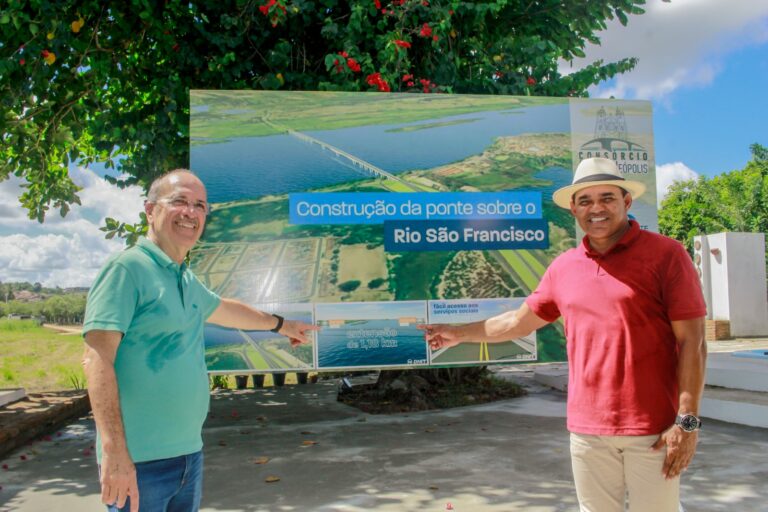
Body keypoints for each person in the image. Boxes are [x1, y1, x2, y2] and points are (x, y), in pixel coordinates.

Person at [420, 157, 707, 512]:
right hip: (587, 431)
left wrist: (687, 421)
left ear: (626, 202)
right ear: (573, 209)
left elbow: (692, 341)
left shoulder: (666, 254)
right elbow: (517, 323)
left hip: (653, 429)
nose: (596, 208)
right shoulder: (564, 267)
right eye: (585, 200)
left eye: (607, 198)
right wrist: (457, 333)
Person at [82, 169, 318, 512]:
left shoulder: (183, 278)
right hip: (139, 462)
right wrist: (115, 450)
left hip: (188, 457)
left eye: (200, 205)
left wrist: (281, 325)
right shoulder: (127, 269)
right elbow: (96, 359)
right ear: (150, 210)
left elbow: (225, 310)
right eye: (179, 202)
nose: (190, 213)